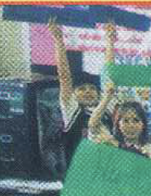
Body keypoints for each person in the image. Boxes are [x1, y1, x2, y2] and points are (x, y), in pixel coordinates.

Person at [49, 18, 114, 165]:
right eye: (82, 89)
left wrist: (110, 39)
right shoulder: (72, 109)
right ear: (74, 93)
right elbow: (64, 77)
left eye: (92, 88)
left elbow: (109, 75)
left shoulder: (106, 108)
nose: (88, 91)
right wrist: (58, 40)